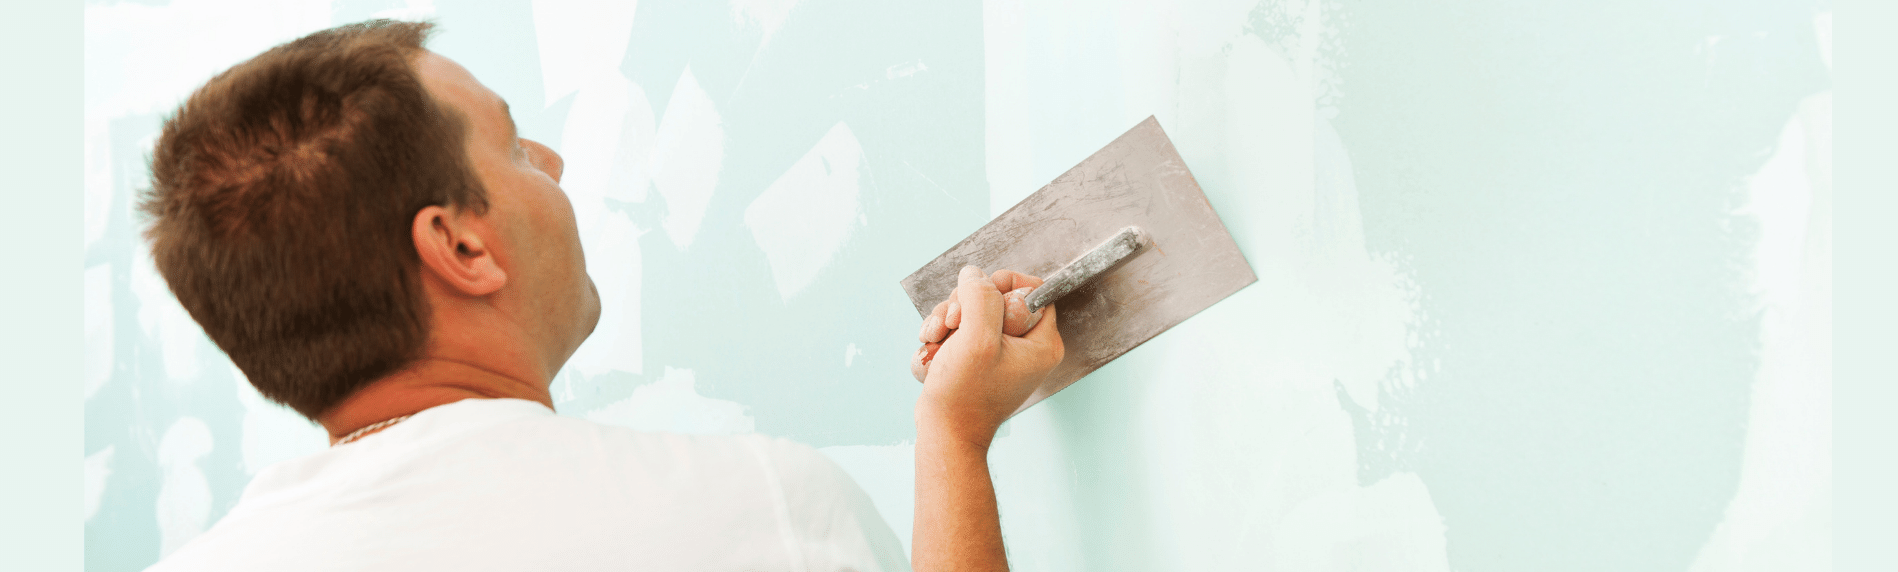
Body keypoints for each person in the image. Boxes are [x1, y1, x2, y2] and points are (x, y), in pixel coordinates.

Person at [137, 19, 1062, 572]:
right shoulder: (750, 507)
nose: (556, 162)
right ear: (461, 244)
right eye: (512, 147)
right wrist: (954, 440)